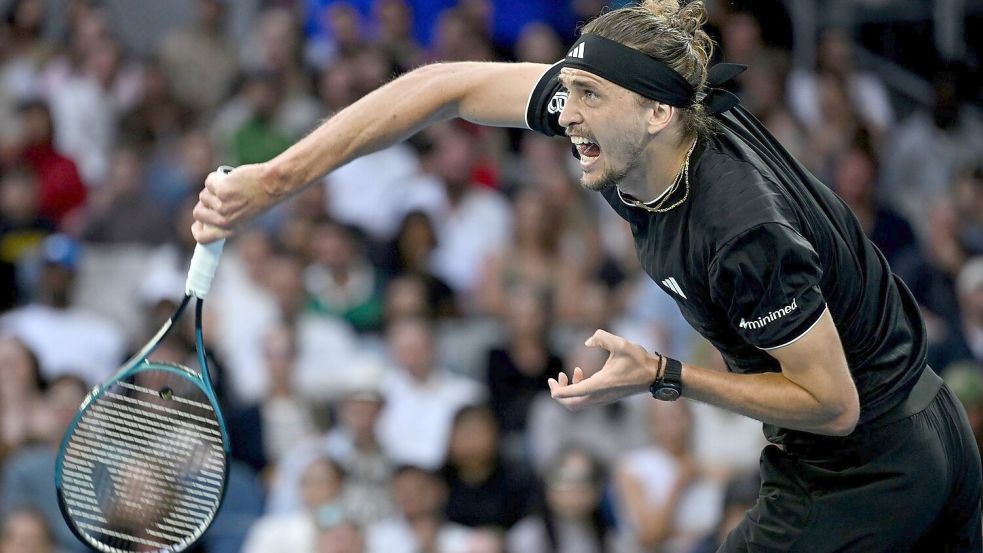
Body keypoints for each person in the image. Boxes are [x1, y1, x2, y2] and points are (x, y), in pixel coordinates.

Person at [189, 0, 982, 550]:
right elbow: (445, 86)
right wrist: (275, 179)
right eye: (565, 91)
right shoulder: (645, 122)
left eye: (587, 96)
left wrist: (665, 374)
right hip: (926, 428)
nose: (564, 114)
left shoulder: (738, 228)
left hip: (867, 465)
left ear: (657, 113)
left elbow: (831, 404)